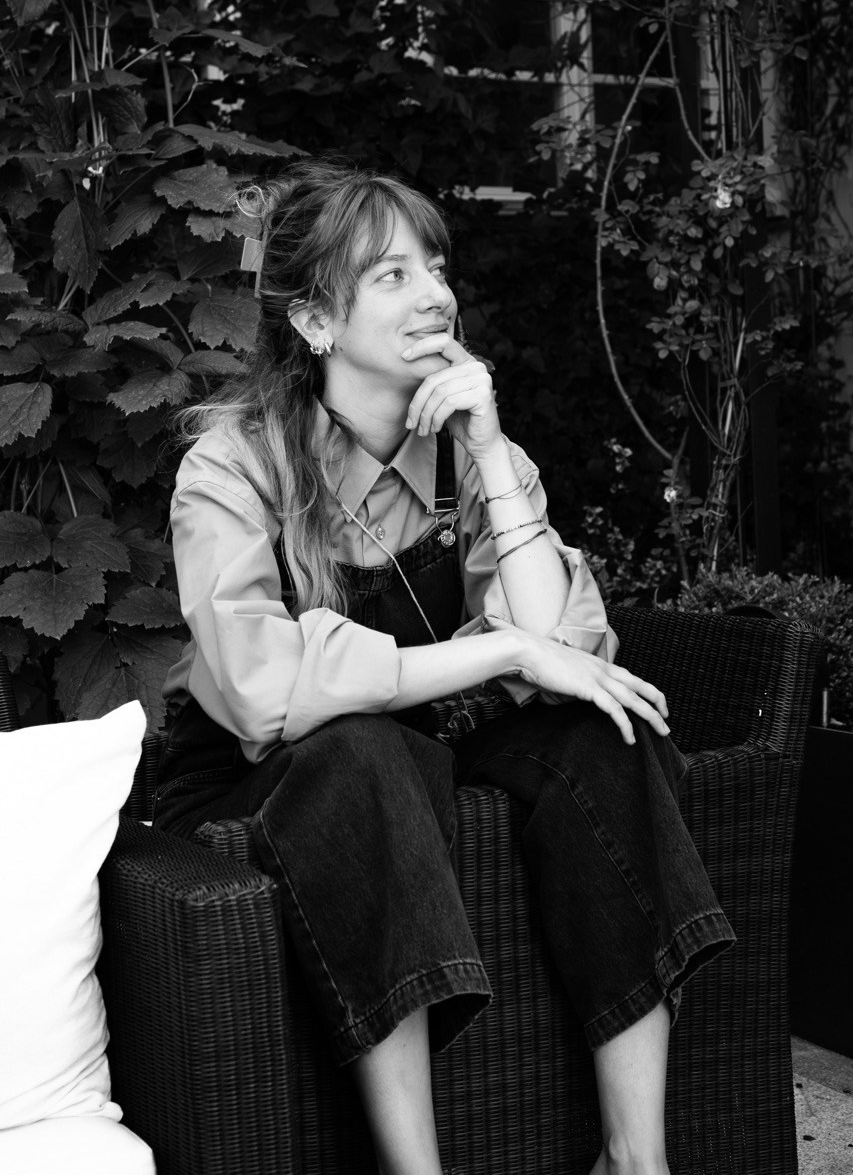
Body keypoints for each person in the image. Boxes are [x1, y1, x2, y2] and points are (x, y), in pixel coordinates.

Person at [154, 156, 735, 1175]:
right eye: (391, 274)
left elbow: (563, 646)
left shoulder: (473, 452)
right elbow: (259, 685)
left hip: (427, 747)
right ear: (315, 321)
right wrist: (503, 648)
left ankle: (635, 1158)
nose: (434, 294)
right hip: (256, 779)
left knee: (599, 730)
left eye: (435, 266)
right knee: (366, 751)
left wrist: (492, 448)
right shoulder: (233, 464)